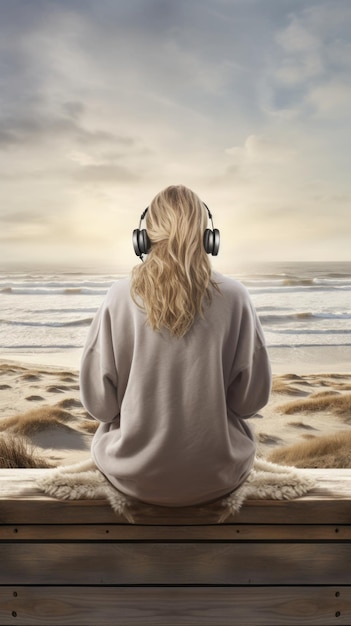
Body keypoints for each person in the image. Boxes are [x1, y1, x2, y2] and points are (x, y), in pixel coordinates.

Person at [80, 185, 271, 507]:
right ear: (209, 238)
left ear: (143, 238)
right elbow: (249, 402)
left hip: (133, 475)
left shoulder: (118, 296)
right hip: (218, 475)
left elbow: (100, 406)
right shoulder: (235, 296)